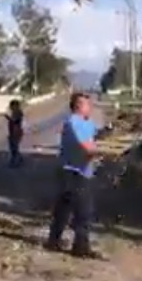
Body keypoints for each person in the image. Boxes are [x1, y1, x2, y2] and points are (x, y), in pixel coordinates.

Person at [44, 91, 104, 259]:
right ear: (78, 106)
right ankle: (80, 247)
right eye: (86, 104)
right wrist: (108, 151)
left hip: (75, 170)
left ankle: (53, 241)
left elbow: (95, 136)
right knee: (83, 211)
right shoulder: (73, 123)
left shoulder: (86, 123)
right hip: (74, 172)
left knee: (63, 208)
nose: (89, 107)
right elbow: (87, 147)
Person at [5, 99, 25, 167]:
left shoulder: (18, 112)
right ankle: (19, 159)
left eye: (12, 106)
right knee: (14, 147)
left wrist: (8, 118)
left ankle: (13, 162)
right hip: (13, 131)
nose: (10, 107)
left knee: (13, 148)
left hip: (16, 132)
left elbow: (15, 121)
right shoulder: (15, 112)